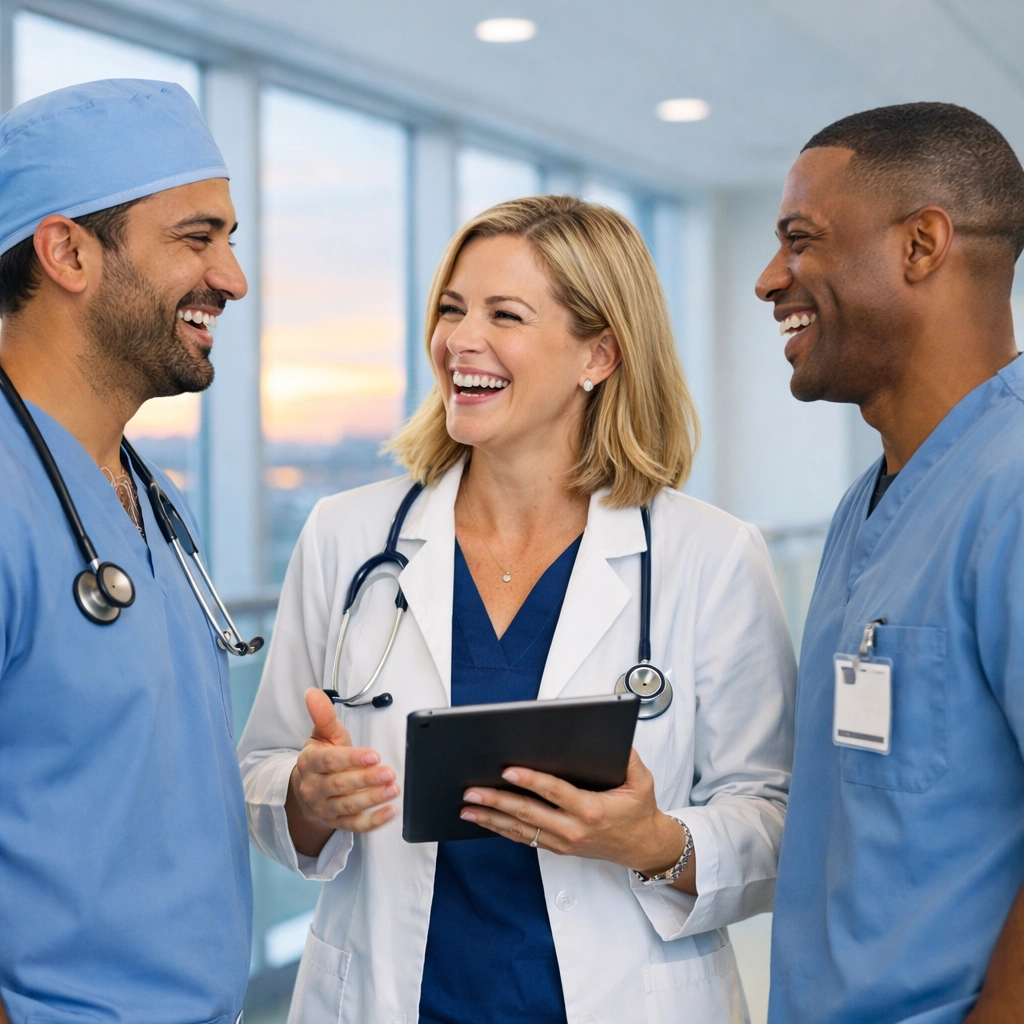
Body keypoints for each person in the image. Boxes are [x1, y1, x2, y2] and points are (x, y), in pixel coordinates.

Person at [239, 194, 796, 1023]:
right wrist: (305, 799)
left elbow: (777, 820)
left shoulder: (710, 556)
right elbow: (264, 769)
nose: (460, 340)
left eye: (505, 314)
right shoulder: (346, 536)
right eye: (451, 309)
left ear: (598, 354)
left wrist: (652, 841)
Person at [757, 102, 1024, 1024]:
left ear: (921, 245)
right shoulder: (863, 509)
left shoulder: (1013, 485)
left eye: (800, 240)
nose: (769, 279)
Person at [0, 81, 252, 1024]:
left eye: (230, 241)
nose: (232, 279)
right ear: (67, 252)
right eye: (197, 238)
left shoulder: (156, 501)